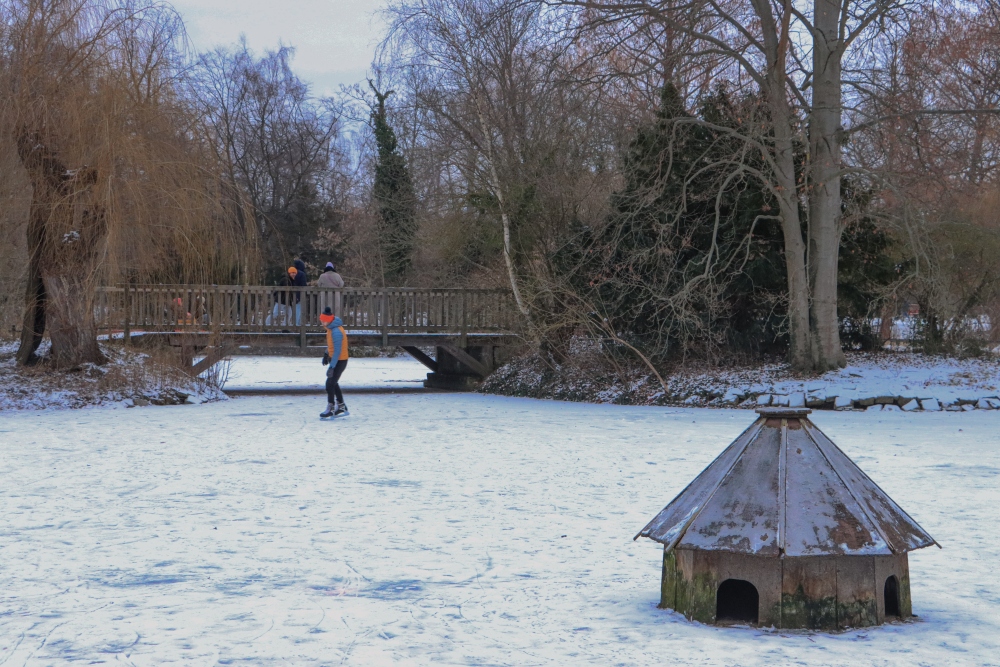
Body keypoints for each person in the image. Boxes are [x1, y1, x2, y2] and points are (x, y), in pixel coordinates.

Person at [320, 306, 349, 418]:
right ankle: (341, 406)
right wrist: (326, 354)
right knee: (333, 383)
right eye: (321, 320)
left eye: (324, 321)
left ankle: (331, 408)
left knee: (329, 384)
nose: (322, 323)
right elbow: (332, 345)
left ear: (329, 320)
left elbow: (337, 351)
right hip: (337, 359)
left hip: (340, 360)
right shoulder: (331, 328)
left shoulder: (336, 331)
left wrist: (332, 366)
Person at [292, 258, 308, 325]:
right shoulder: (302, 274)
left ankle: (295, 323)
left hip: (291, 294)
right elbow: (303, 285)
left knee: (292, 309)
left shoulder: (292, 273)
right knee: (298, 309)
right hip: (299, 294)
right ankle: (297, 324)